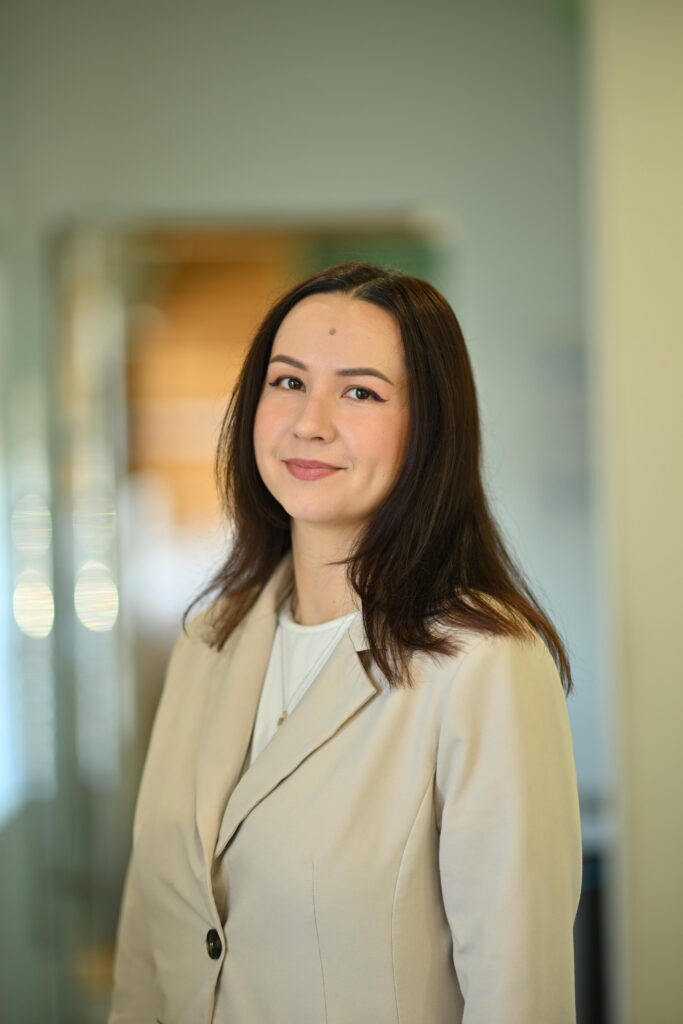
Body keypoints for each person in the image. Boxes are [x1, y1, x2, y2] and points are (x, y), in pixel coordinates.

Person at [109, 262, 582, 1024]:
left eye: (360, 392)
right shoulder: (207, 642)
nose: (310, 422)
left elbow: (517, 996)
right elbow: (145, 952)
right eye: (288, 382)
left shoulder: (484, 666)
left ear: (429, 430)